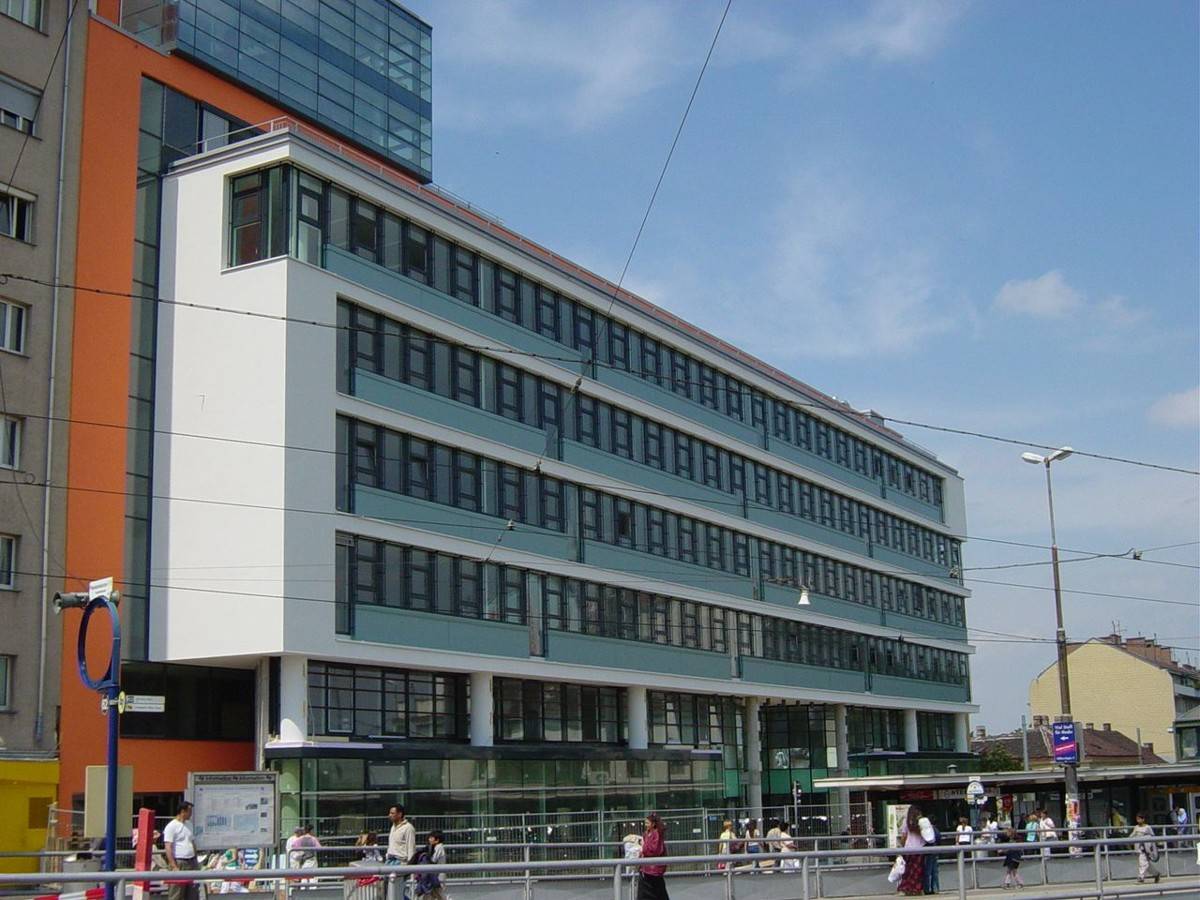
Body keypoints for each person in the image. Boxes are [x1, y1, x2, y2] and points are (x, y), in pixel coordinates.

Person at [162, 801, 199, 900]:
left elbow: (192, 842)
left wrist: (196, 860)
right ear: (183, 811)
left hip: (192, 862)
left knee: (192, 892)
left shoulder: (189, 824)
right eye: (189, 811)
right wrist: (174, 866)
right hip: (179, 862)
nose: (191, 814)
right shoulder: (171, 826)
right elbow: (168, 847)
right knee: (177, 893)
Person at [896, 805, 929, 896]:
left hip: (908, 849)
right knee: (918, 870)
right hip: (919, 848)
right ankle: (916, 889)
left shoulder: (906, 822)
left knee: (908, 869)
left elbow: (904, 836)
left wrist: (902, 846)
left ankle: (906, 888)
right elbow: (926, 835)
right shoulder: (921, 822)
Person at [637, 813, 669, 900]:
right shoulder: (646, 834)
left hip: (654, 871)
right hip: (646, 869)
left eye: (647, 823)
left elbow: (654, 850)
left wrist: (643, 848)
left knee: (659, 894)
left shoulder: (656, 834)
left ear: (653, 824)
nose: (645, 825)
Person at [412, 831, 446, 900]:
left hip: (437, 877)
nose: (429, 839)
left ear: (437, 840)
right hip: (432, 877)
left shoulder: (439, 847)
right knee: (431, 895)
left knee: (439, 895)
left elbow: (433, 860)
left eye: (431, 838)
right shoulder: (434, 847)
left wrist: (426, 857)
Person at [1130, 813, 1162, 884]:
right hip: (1137, 847)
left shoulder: (1147, 827)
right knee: (1146, 864)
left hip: (1145, 848)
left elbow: (1152, 836)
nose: (1138, 820)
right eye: (1137, 819)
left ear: (1143, 819)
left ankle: (1141, 877)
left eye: (1139, 819)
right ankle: (1156, 874)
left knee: (1142, 863)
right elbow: (1132, 835)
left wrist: (1152, 848)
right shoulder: (1136, 827)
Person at [922, 814, 941, 895]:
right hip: (935, 851)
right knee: (935, 871)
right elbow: (938, 838)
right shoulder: (935, 829)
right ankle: (935, 888)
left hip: (927, 852)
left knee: (928, 871)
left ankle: (927, 888)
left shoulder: (926, 830)